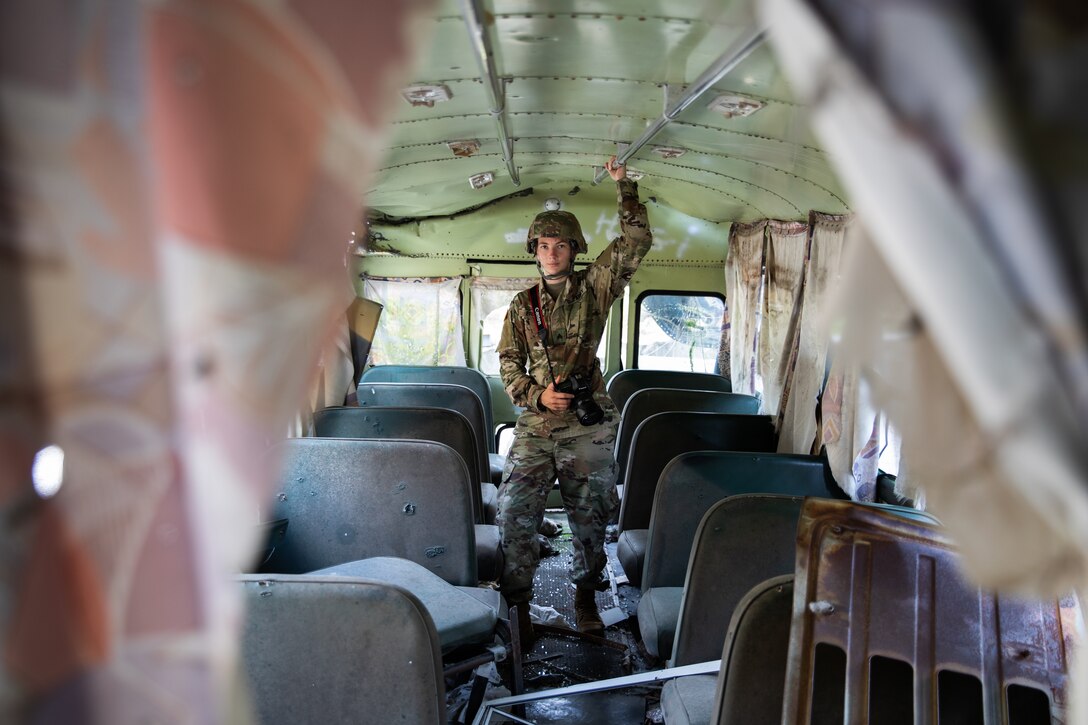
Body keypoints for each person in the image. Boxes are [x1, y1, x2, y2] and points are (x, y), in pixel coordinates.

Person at [495, 156, 653, 642]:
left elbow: (636, 243)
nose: (551, 253)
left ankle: (586, 597)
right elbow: (507, 365)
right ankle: (518, 605)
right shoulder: (522, 306)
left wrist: (624, 187)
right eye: (543, 245)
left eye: (560, 245)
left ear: (574, 249)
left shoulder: (595, 289)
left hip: (587, 425)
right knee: (514, 514)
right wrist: (536, 395)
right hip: (537, 427)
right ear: (534, 251)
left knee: (591, 516)